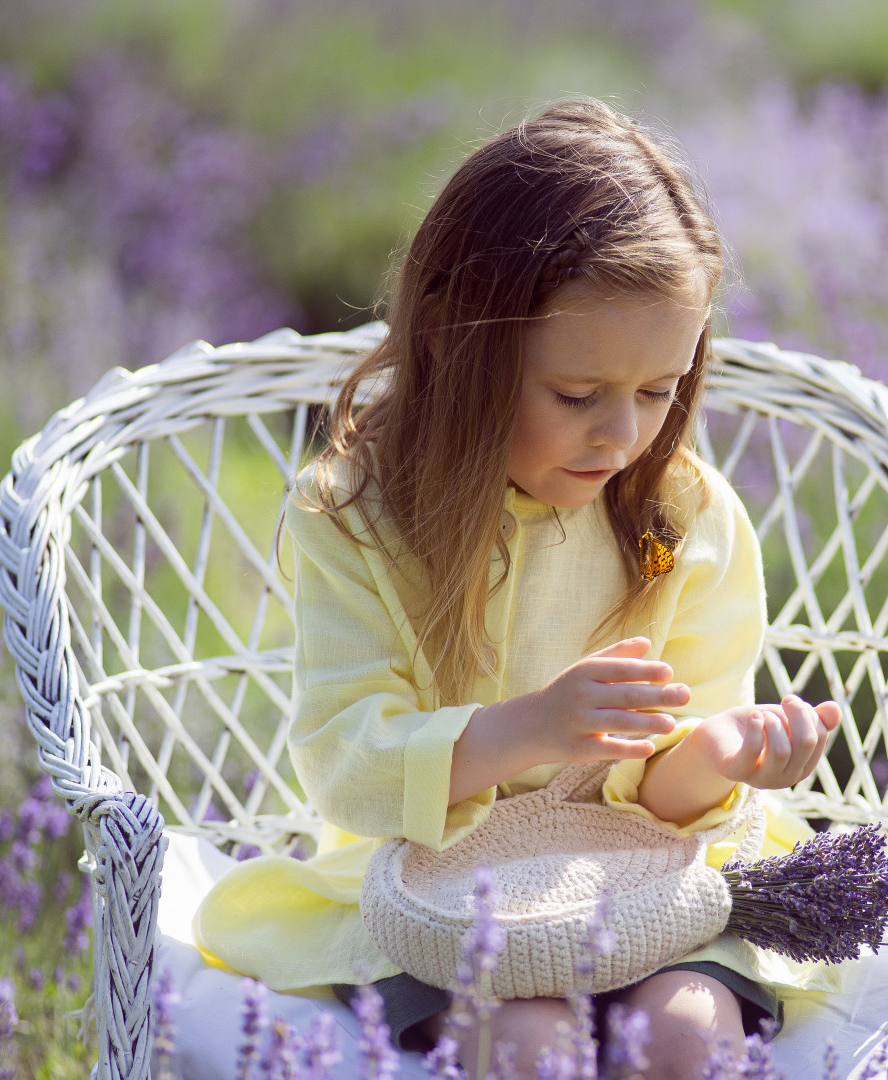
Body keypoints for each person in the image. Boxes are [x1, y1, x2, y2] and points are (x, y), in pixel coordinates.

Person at [193, 98, 846, 1078]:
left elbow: (668, 780)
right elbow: (348, 760)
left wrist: (718, 752)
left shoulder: (673, 522)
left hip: (642, 877)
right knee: (533, 1048)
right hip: (446, 895)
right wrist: (528, 731)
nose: (621, 435)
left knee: (683, 1037)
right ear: (463, 345)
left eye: (659, 390)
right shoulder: (363, 520)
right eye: (577, 397)